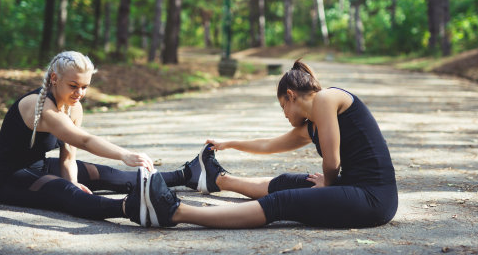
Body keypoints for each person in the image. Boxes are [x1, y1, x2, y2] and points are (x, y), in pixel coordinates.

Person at [142, 59, 398, 228]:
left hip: (374, 199)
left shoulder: (326, 99)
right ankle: (215, 179)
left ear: (291, 96)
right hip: (356, 189)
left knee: (282, 201)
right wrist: (228, 143)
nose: (284, 114)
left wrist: (328, 185)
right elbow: (268, 145)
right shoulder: (312, 124)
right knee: (288, 181)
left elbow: (332, 161)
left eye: (283, 106)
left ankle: (176, 212)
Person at [0, 51, 193, 226]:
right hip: (10, 179)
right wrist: (124, 154)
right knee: (65, 192)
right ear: (54, 78)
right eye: (73, 85)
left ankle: (187, 175)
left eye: (85, 86)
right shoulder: (39, 105)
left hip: (39, 167)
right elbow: (84, 140)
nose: (79, 93)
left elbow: (68, 157)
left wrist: (74, 180)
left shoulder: (73, 106)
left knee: (108, 174)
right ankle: (133, 208)